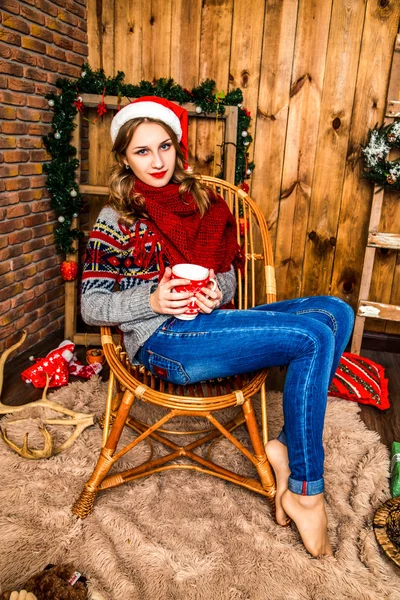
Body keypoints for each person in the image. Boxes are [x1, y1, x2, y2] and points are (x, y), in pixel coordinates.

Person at [81, 96, 354, 558]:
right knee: (313, 337)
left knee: (336, 313)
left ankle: (286, 448)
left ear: (177, 147)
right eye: (142, 151)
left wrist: (214, 289)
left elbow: (225, 271)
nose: (156, 161)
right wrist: (150, 298)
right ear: (125, 159)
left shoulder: (203, 201)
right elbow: (92, 305)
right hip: (161, 340)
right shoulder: (117, 219)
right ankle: (307, 491)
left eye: (164, 147)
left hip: (212, 320)